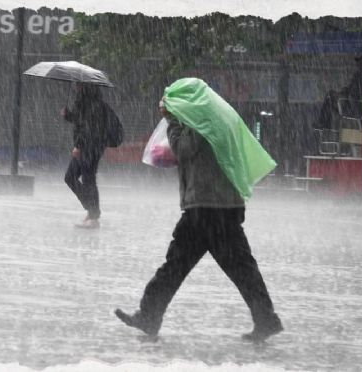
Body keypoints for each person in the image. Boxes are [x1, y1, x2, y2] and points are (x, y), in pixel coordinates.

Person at [114, 99, 283, 343]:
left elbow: (183, 150)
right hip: (223, 207)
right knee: (241, 268)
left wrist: (172, 121)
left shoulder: (201, 123)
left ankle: (149, 316)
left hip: (206, 209)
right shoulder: (221, 122)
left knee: (176, 266)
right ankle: (266, 319)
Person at [61, 82, 110, 229]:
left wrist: (79, 145)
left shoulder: (90, 103)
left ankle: (93, 213)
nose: (76, 86)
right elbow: (79, 120)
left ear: (86, 86)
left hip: (88, 147)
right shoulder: (84, 100)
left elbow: (88, 127)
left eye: (79, 84)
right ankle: (92, 211)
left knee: (84, 179)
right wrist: (68, 115)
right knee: (80, 178)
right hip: (91, 146)